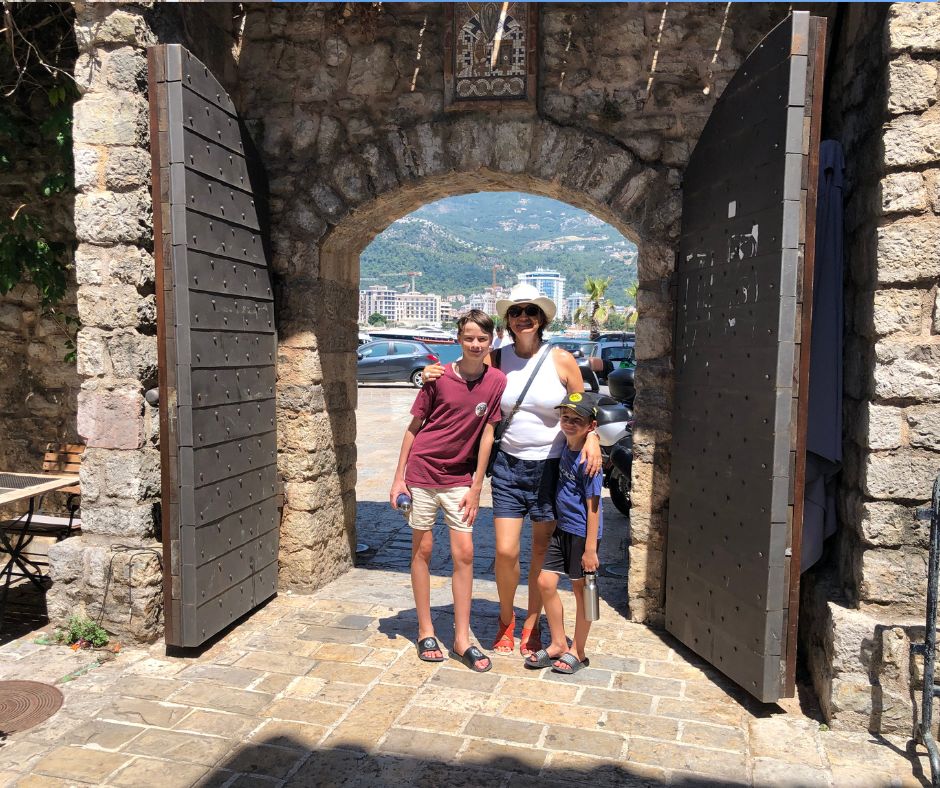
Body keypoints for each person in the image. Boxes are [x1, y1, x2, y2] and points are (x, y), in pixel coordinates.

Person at [422, 283, 601, 658]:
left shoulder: (561, 359)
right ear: (508, 319)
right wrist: (430, 374)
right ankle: (507, 617)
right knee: (505, 551)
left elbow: (584, 407)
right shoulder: (497, 359)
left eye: (531, 312)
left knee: (540, 550)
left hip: (550, 467)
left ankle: (533, 622)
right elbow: (464, 378)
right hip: (507, 466)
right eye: (517, 312)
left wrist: (593, 440)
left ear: (542, 319)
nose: (524, 317)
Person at [390, 309, 507, 672]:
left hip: (460, 477)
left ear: (492, 341)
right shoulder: (437, 378)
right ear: (458, 339)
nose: (475, 344)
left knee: (466, 553)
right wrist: (398, 479)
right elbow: (414, 427)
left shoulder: (496, 381)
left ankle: (460, 638)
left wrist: (477, 485)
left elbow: (488, 434)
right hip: (422, 472)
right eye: (469, 337)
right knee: (422, 549)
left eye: (482, 339)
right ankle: (425, 630)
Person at [524, 392, 602, 674]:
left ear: (590, 426)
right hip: (561, 528)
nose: (569, 424)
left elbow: (594, 506)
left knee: (582, 593)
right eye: (565, 418)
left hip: (582, 534)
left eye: (576, 420)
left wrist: (591, 548)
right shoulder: (565, 446)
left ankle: (578, 651)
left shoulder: (589, 460)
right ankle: (558, 642)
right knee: (545, 582)